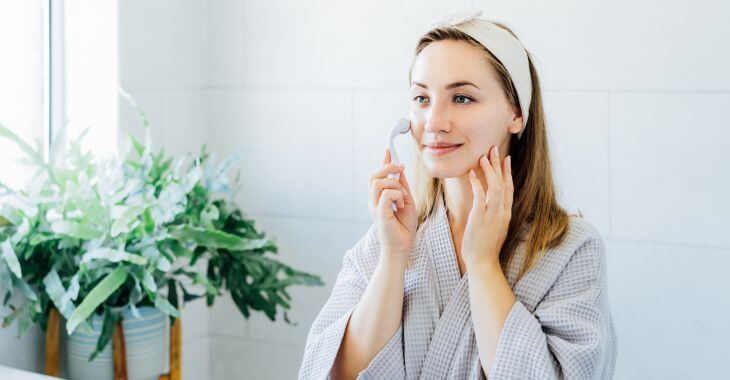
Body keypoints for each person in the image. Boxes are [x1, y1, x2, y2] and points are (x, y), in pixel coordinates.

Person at [298, 10, 617, 379]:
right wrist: (392, 258)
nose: (434, 122)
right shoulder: (388, 239)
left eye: (462, 98)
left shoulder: (570, 250)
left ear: (516, 114)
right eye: (421, 99)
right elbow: (337, 373)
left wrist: (483, 263)